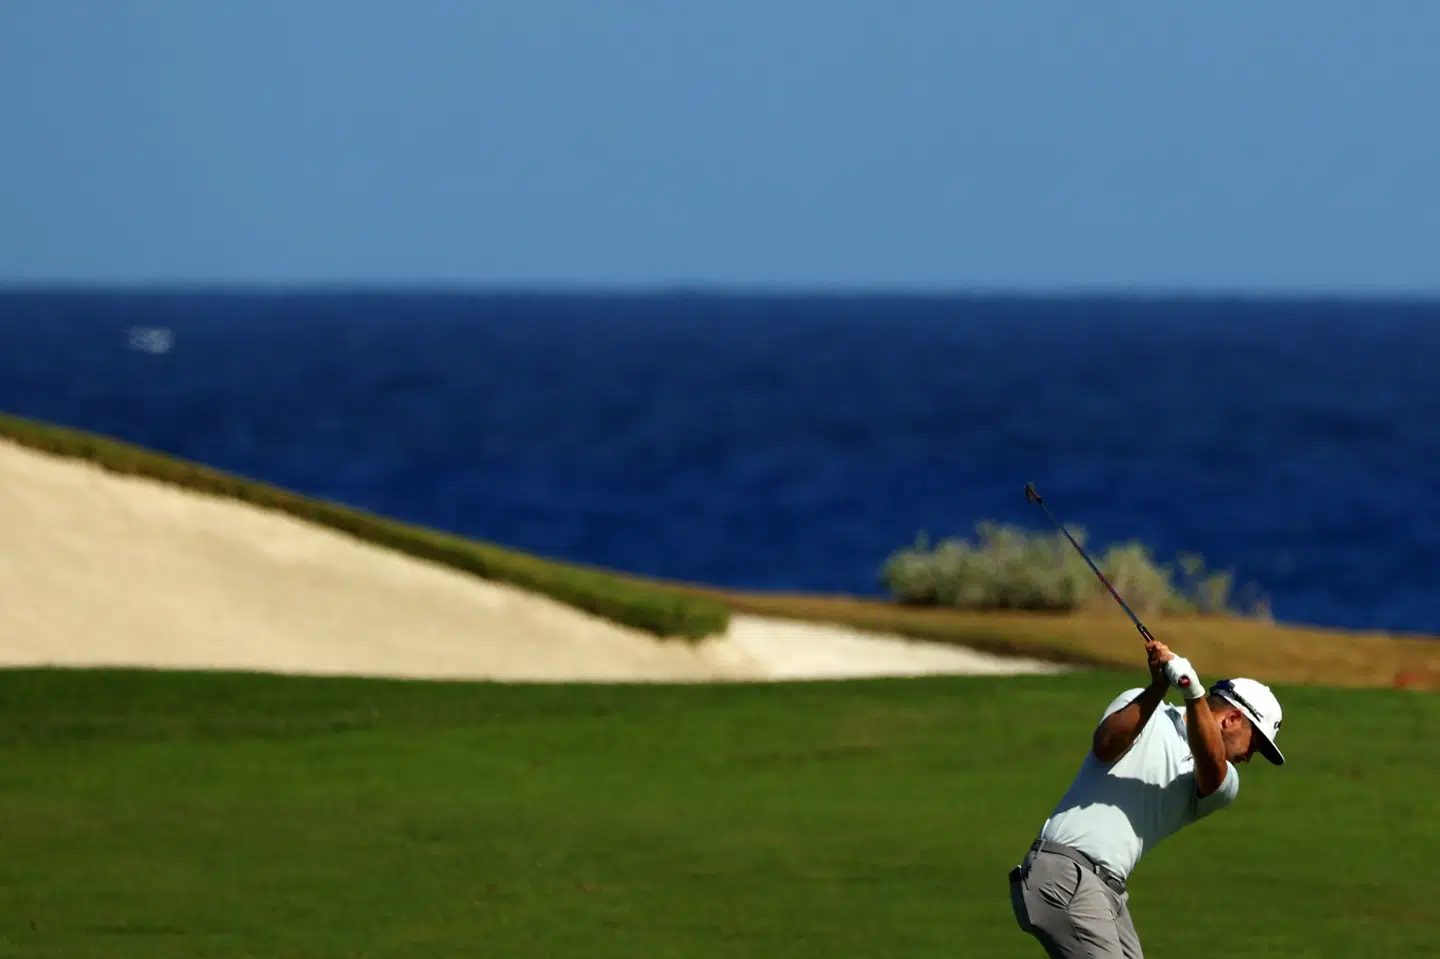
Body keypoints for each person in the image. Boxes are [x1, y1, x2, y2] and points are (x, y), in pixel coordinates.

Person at [1008, 640, 1286, 958]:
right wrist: (1157, 687)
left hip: (1105, 892)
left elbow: (1209, 763)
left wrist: (1193, 694)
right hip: (1066, 874)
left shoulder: (1225, 782)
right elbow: (1106, 745)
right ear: (1232, 719)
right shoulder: (1140, 707)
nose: (1250, 757)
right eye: (1255, 745)